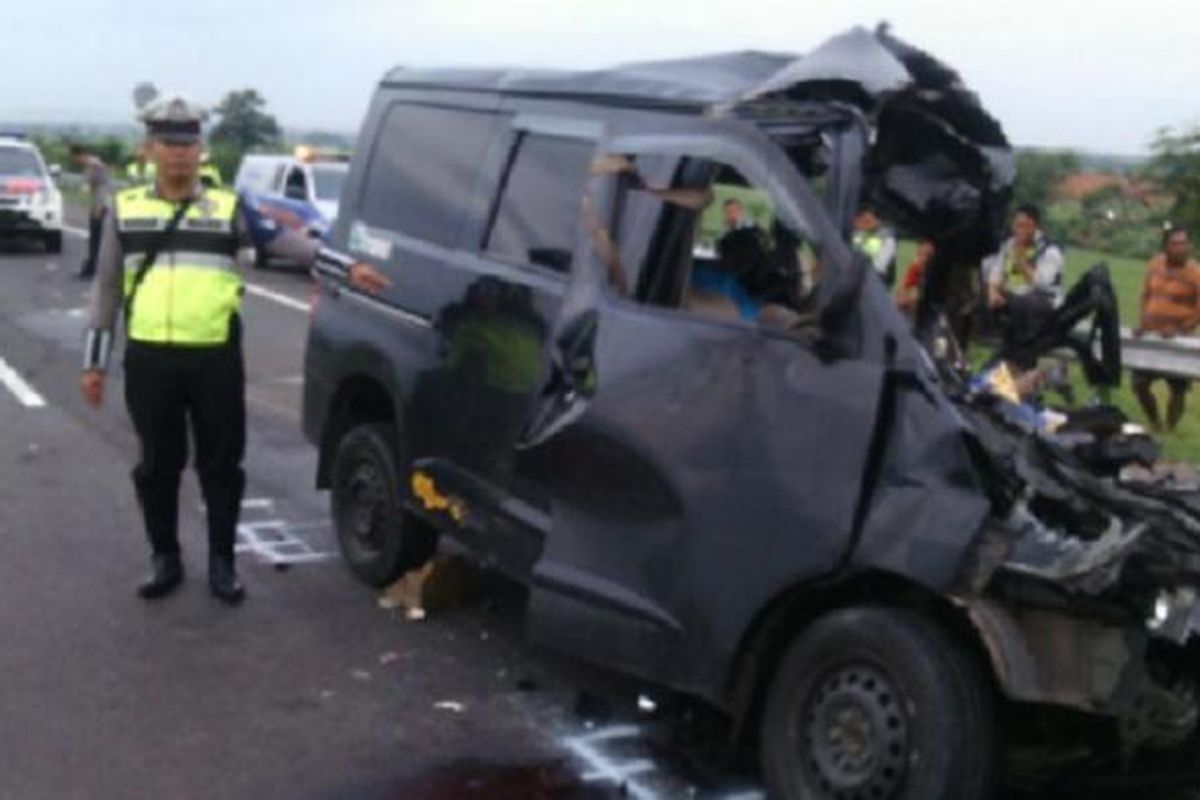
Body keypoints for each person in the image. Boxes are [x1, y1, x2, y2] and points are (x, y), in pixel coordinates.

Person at [79, 94, 388, 605]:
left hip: (214, 359)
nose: (180, 154)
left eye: (190, 144)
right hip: (150, 360)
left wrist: (346, 267)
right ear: (151, 149)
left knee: (221, 466)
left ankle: (222, 562)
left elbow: (288, 242)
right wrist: (95, 363)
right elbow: (106, 290)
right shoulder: (126, 209)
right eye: (169, 145)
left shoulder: (226, 207)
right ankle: (165, 558)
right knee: (158, 464)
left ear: (201, 150)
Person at [1132, 225, 1200, 432]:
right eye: (1175, 243)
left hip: (1178, 339)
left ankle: (1170, 428)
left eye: (1183, 243)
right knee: (1140, 384)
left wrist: (1180, 329)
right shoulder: (1155, 265)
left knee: (1177, 389)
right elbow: (1146, 295)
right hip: (1152, 336)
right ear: (1166, 246)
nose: (1180, 248)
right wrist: (1143, 322)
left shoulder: (1195, 272)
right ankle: (1155, 422)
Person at [982, 204, 1065, 367]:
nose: (1019, 230)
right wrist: (993, 292)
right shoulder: (1009, 245)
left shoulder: (1050, 250)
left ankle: (1020, 359)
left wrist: (1021, 261)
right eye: (1017, 225)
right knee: (983, 299)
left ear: (1035, 226)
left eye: (1024, 226)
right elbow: (995, 271)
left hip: (1042, 304)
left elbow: (1043, 283)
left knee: (1024, 303)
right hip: (1015, 301)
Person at [69, 144, 112, 279]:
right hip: (97, 206)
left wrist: (98, 208)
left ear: (79, 155)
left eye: (75, 159)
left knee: (97, 241)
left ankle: (93, 269)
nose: (75, 162)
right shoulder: (93, 165)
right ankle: (92, 268)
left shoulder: (95, 166)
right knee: (95, 240)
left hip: (100, 207)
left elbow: (102, 189)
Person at [851, 204, 898, 287]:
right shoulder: (857, 234)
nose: (862, 224)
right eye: (861, 220)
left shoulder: (887, 239)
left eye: (867, 221)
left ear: (877, 220)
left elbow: (878, 267)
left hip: (876, 282)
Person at [896, 240, 935, 317]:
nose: (926, 259)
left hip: (908, 300)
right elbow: (906, 286)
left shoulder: (919, 267)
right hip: (906, 300)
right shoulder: (915, 267)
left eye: (928, 256)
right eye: (926, 255)